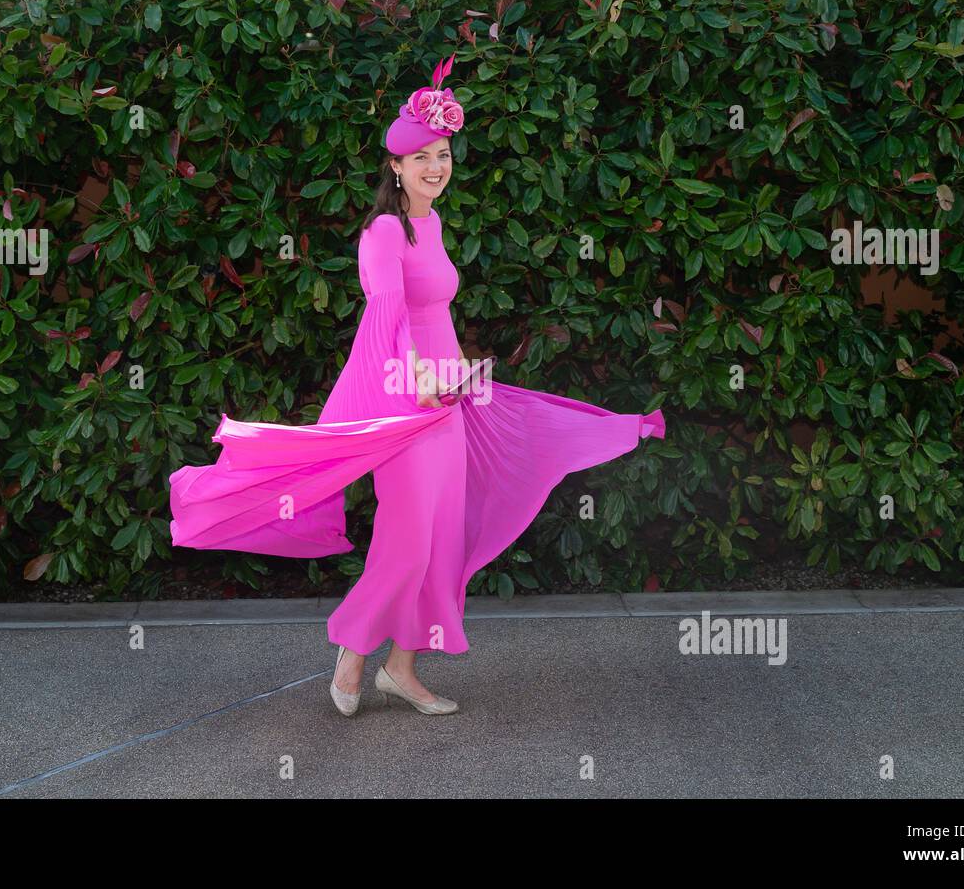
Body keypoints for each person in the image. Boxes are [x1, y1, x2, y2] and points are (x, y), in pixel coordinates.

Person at [168, 54, 666, 718]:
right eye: (423, 156)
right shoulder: (383, 232)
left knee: (440, 542)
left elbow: (438, 316)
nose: (437, 165)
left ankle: (400, 668)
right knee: (405, 544)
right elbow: (386, 316)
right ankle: (351, 655)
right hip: (405, 405)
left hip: (447, 401)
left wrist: (459, 379)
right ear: (395, 167)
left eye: (444, 153)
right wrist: (422, 379)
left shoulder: (430, 224)